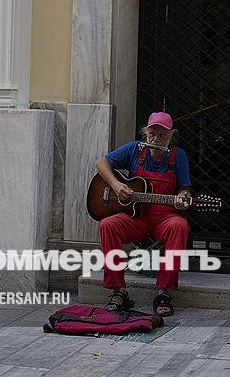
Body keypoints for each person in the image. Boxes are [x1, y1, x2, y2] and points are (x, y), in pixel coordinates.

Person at [94, 111, 192, 317]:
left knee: (180, 226)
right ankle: (118, 291)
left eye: (162, 135)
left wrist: (183, 198)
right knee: (108, 224)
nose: (156, 139)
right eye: (152, 134)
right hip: (135, 217)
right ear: (145, 133)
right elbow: (101, 163)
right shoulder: (134, 150)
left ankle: (164, 292)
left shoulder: (178, 156)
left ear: (171, 136)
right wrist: (116, 185)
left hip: (164, 217)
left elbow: (185, 189)